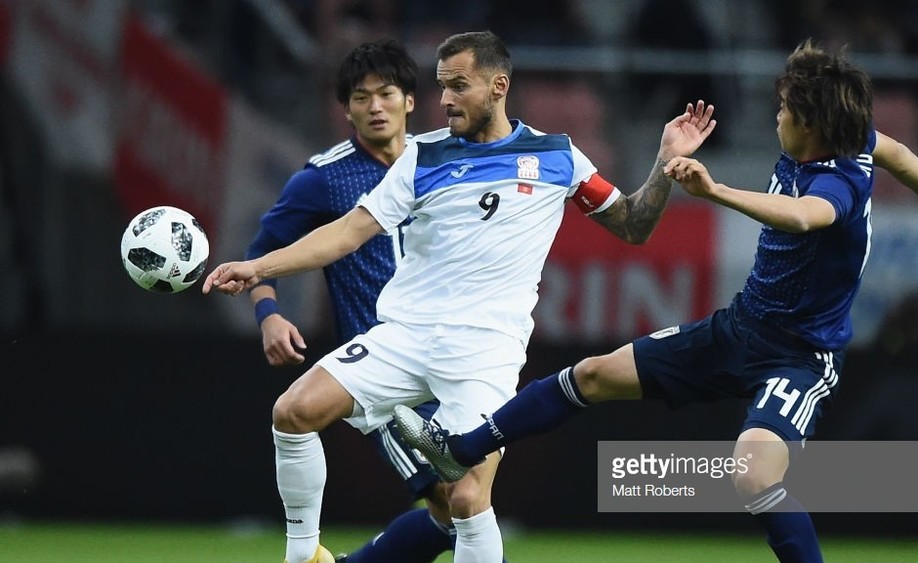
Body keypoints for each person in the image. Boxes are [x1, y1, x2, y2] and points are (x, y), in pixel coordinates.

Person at [393, 38, 918, 563]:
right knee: (592, 375)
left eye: (784, 109)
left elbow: (805, 215)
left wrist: (716, 190)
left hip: (799, 356)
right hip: (739, 329)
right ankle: (461, 447)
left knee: (753, 475)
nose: (776, 116)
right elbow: (891, 147)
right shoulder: (843, 138)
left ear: (811, 122)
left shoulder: (839, 181)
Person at [203, 30, 717, 563]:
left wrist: (665, 160)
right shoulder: (423, 155)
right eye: (442, 85)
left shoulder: (558, 156)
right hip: (405, 336)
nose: (445, 99)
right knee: (293, 412)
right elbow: (351, 231)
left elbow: (632, 224)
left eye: (459, 86)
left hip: (485, 352)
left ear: (499, 87)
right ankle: (302, 556)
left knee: (467, 500)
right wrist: (259, 267)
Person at [243, 38, 456, 563]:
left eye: (386, 94)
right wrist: (269, 315)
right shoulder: (323, 178)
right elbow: (261, 253)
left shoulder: (443, 161)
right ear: (346, 110)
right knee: (457, 497)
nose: (375, 107)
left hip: (452, 356)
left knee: (456, 510)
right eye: (361, 97)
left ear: (410, 100)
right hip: (381, 369)